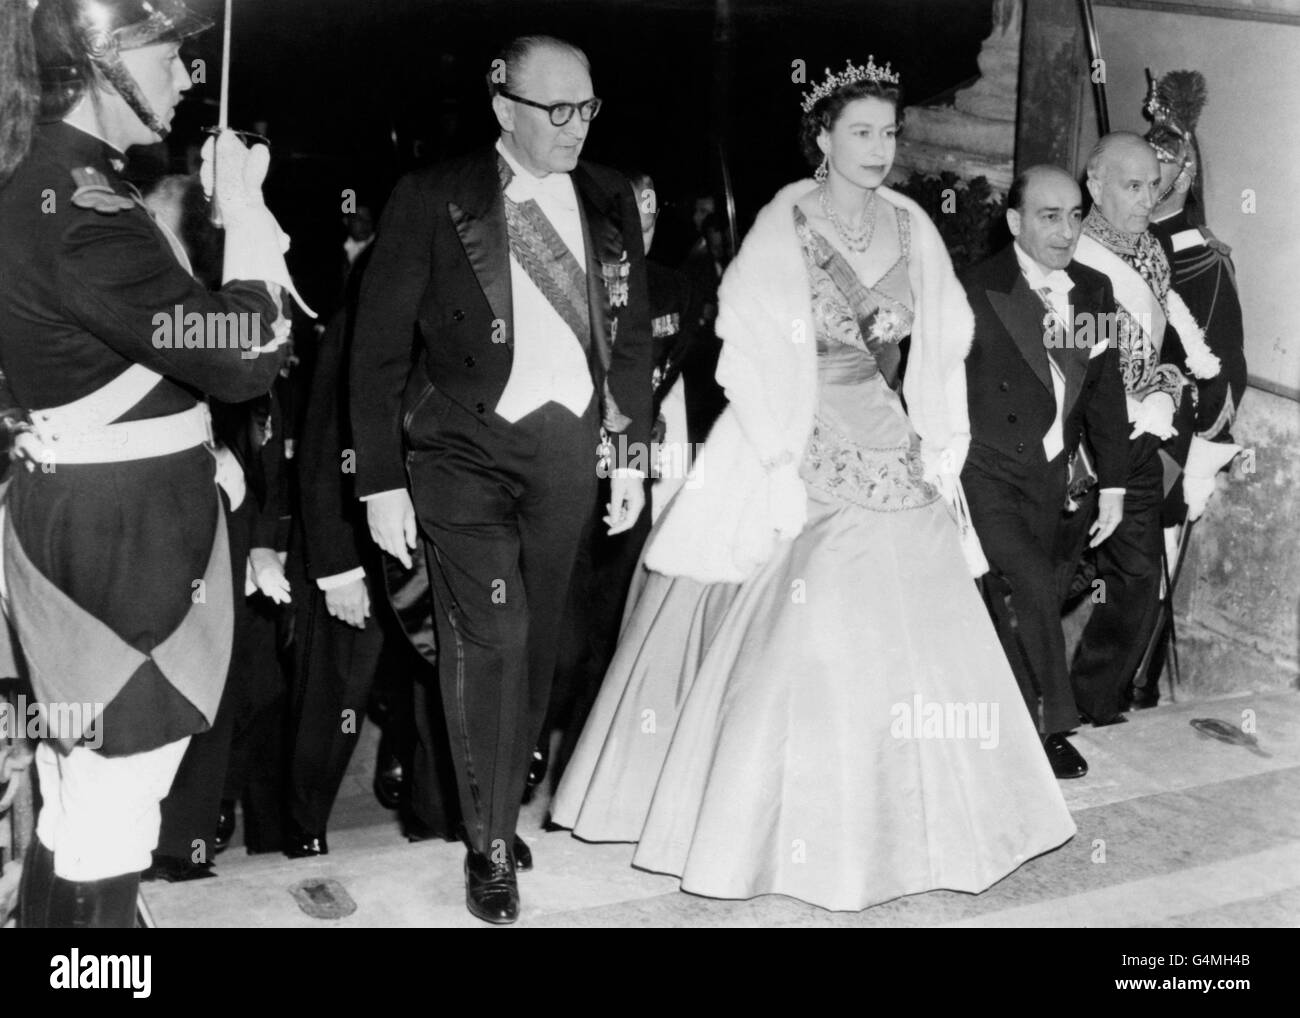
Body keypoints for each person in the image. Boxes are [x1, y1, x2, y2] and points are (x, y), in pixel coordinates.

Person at [551, 59, 1076, 912]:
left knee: (926, 645)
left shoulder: (912, 226)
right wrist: (775, 462)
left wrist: (941, 446)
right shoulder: (782, 224)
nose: (879, 149)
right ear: (823, 139)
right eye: (861, 132)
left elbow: (939, 347)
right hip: (800, 442)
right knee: (811, 638)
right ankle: (776, 835)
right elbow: (750, 355)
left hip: (892, 451)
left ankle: (916, 828)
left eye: (889, 133)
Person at [0, 0, 305, 927]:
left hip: (93, 517)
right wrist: (247, 212)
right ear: (102, 60)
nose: (186, 83)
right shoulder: (86, 212)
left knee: (76, 802)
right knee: (112, 815)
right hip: (122, 544)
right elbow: (245, 348)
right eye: (170, 59)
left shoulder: (59, 182)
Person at [349, 35, 653, 924]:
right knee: (493, 634)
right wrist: (379, 481)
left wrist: (627, 455)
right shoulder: (432, 197)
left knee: (543, 643)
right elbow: (375, 351)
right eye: (555, 110)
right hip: (460, 447)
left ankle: (492, 811)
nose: (575, 126)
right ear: (503, 109)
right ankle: (489, 847)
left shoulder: (609, 199)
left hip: (565, 453)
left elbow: (629, 340)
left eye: (588, 107)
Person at [960, 165, 1130, 779]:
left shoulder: (1093, 291)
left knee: (1042, 596)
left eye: (1076, 216)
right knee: (1031, 586)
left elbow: (1104, 395)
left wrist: (1113, 483)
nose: (1066, 232)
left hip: (1062, 481)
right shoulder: (974, 289)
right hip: (991, 473)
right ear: (1014, 222)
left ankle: (1005, 713)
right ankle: (1054, 728)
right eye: (1048, 217)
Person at [1066, 133, 1220, 725]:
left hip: (1136, 441)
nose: (1145, 199)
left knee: (1136, 579)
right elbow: (1071, 359)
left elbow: (1160, 336)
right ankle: (1030, 705)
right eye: (1132, 187)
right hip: (1079, 446)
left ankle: (1093, 704)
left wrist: (1167, 383)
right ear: (1095, 186)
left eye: (1152, 186)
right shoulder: (1072, 253)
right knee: (1052, 579)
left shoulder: (1153, 249)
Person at [1136, 70, 1248, 706]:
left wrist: (1203, 450)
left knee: (1151, 562)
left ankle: (1137, 681)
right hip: (1101, 424)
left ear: (1185, 172)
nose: (1153, 174)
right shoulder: (1117, 241)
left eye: (1165, 161)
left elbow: (1226, 369)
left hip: (1169, 438)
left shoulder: (1201, 257)